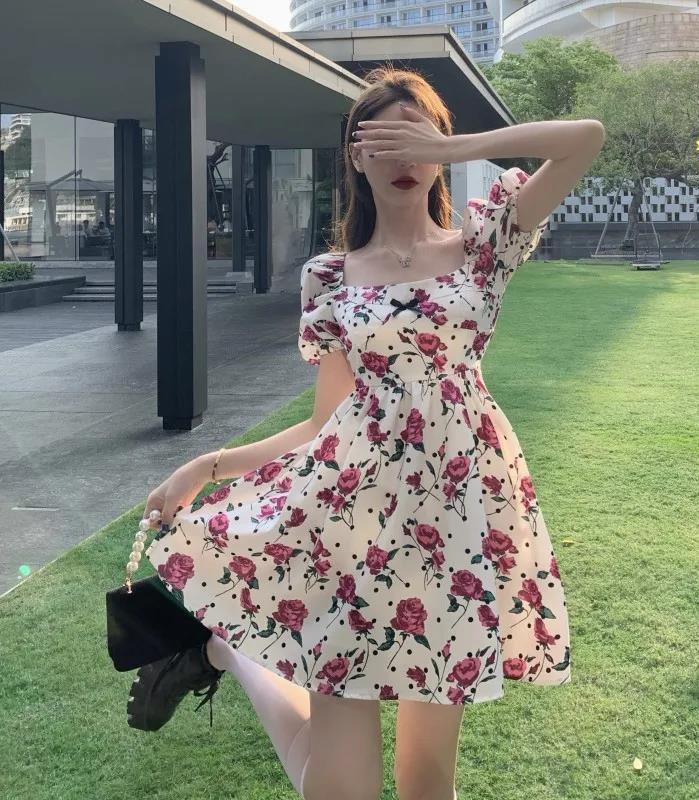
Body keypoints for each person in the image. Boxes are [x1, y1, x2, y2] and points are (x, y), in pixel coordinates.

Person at [131, 66, 605, 800]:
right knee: (340, 791)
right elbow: (324, 423)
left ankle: (224, 650)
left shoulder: (484, 245)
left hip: (454, 533)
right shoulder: (333, 278)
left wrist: (451, 145)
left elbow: (585, 139)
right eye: (383, 142)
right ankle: (231, 651)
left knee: (426, 785)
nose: (403, 156)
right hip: (351, 533)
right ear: (356, 157)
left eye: (417, 138)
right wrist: (208, 465)